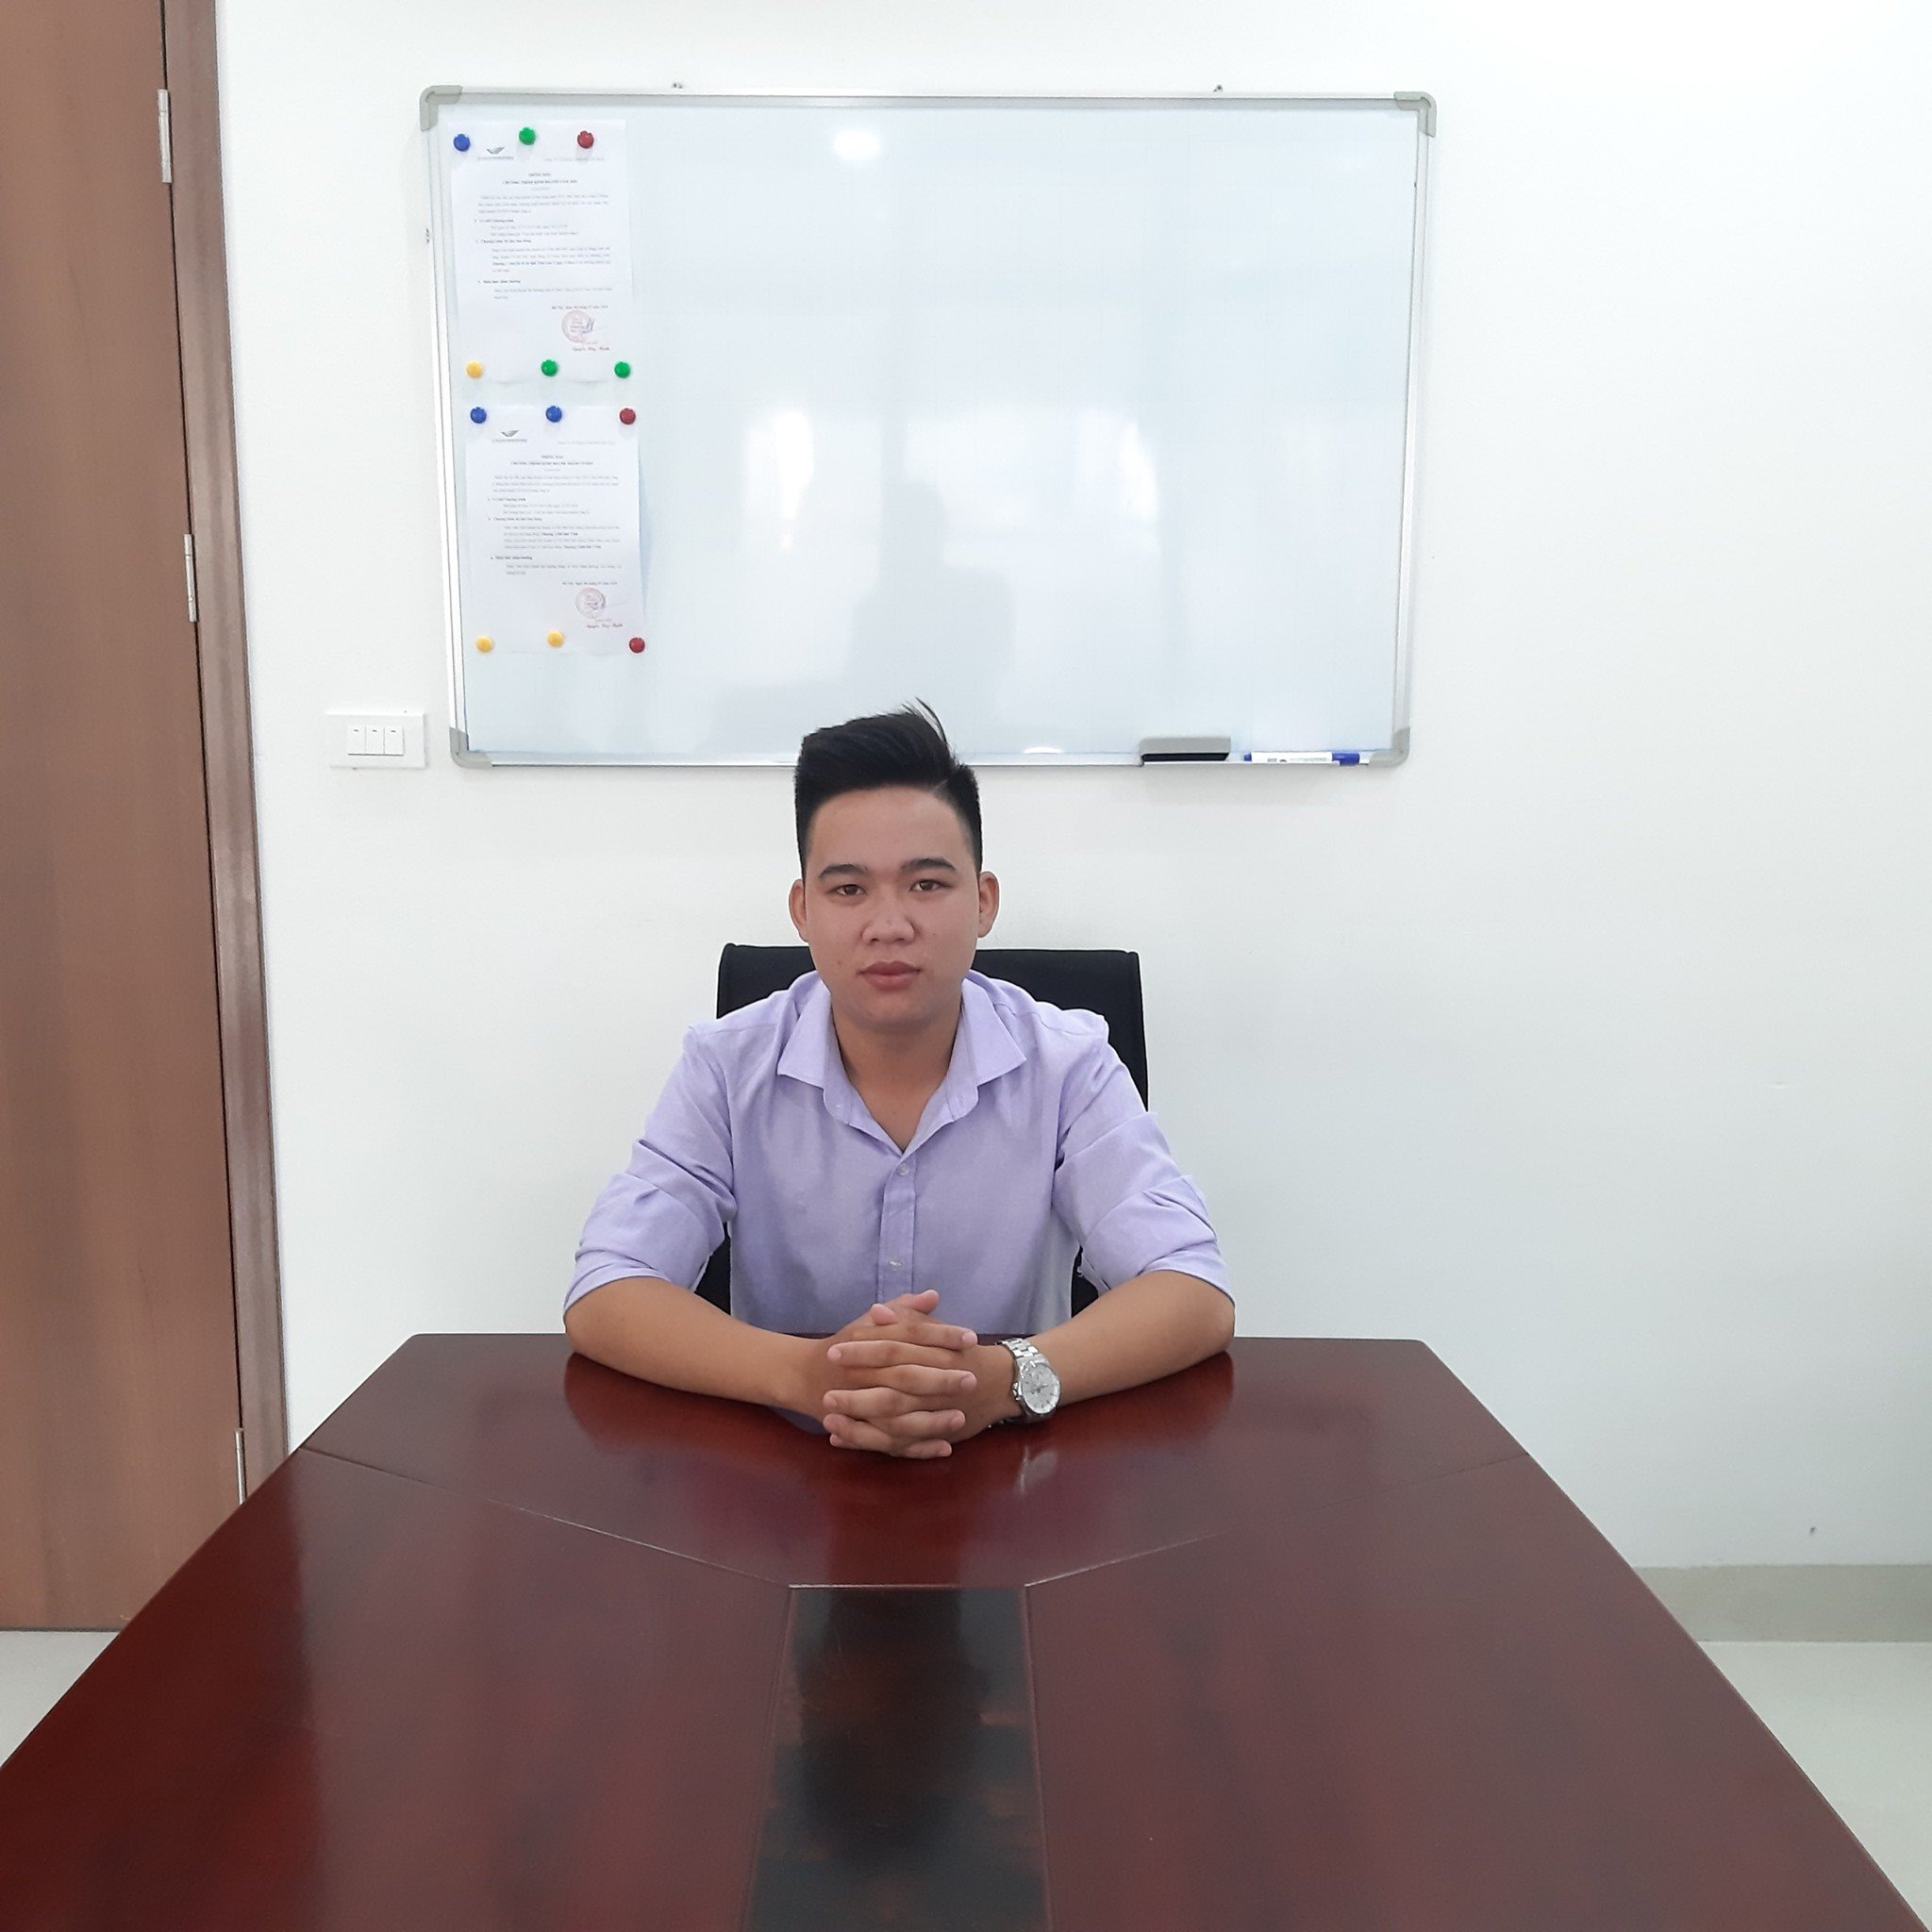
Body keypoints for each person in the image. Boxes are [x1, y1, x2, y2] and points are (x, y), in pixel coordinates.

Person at [564, 702, 1233, 1458]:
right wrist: (807, 1375)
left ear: (983, 902)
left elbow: (1192, 1289)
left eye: (926, 884)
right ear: (803, 909)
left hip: (1008, 1460)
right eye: (849, 890)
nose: (890, 925)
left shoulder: (1068, 1063)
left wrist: (1001, 1380)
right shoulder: (725, 1065)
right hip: (787, 1469)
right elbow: (607, 1288)